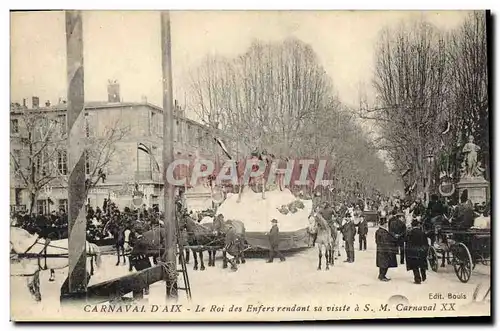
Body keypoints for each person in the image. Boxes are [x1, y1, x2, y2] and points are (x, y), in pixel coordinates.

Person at [405, 219, 429, 284]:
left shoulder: (410, 233)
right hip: (421, 251)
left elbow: (407, 242)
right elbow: (426, 243)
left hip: (413, 252)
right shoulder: (422, 233)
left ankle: (417, 279)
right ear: (418, 225)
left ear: (412, 226)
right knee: (422, 264)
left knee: (415, 266)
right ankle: (424, 277)